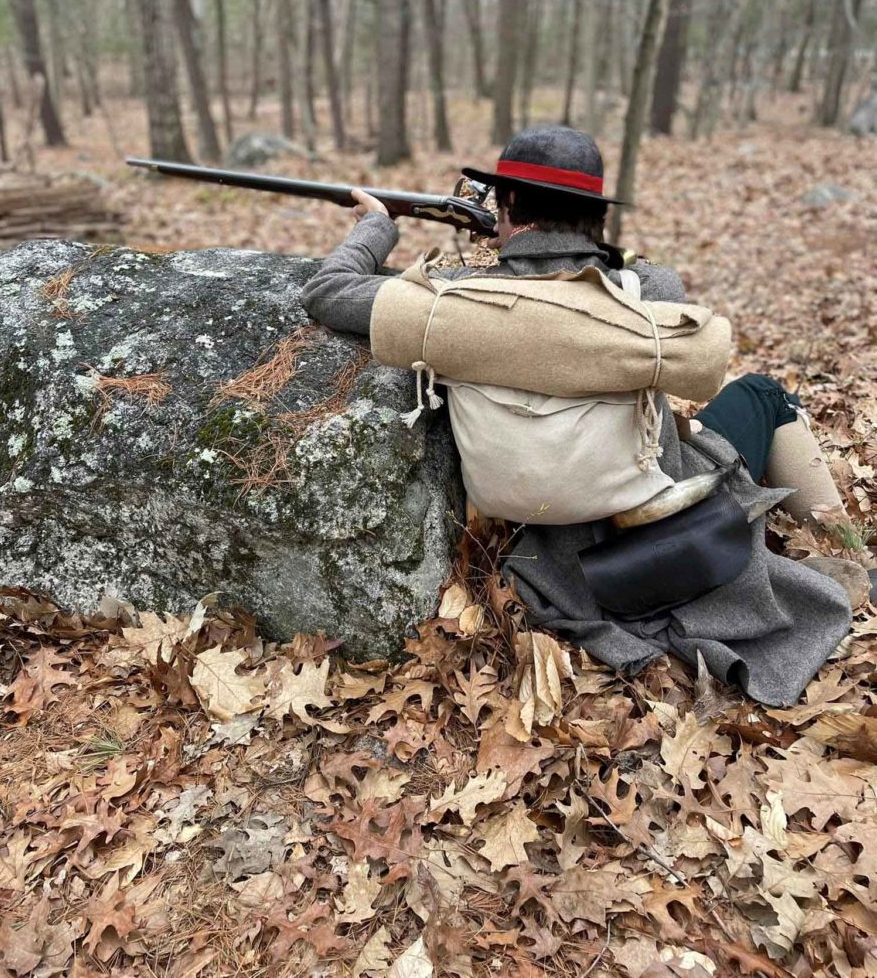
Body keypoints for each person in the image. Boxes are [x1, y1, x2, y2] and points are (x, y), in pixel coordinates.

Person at [302, 124, 857, 707]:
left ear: (508, 204)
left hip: (551, 548)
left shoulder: (452, 301)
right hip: (654, 517)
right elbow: (629, 279)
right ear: (593, 214)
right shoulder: (646, 289)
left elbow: (328, 291)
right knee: (765, 395)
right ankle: (842, 543)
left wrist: (376, 225)